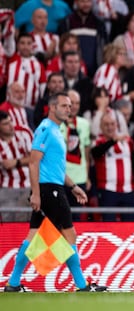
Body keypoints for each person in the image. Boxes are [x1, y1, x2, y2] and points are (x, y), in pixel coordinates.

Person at [4, 92, 107, 292]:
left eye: (70, 106)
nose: (69, 109)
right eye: (64, 106)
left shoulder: (56, 130)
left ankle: (13, 283)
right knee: (70, 235)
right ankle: (82, 285)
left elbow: (56, 168)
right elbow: (33, 163)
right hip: (49, 190)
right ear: (52, 107)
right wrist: (35, 194)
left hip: (52, 188)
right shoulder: (45, 129)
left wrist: (73, 186)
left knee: (33, 237)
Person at [91, 110, 134, 222]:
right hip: (108, 190)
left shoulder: (127, 141)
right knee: (109, 225)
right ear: (101, 127)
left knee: (130, 225)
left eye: (112, 124)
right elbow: (96, 153)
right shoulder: (98, 142)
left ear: (117, 125)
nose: (110, 127)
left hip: (128, 190)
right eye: (106, 125)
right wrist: (112, 141)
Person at [60, 90, 91, 221]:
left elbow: (86, 153)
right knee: (59, 217)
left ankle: (73, 242)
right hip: (60, 178)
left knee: (76, 218)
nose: (75, 106)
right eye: (72, 103)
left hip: (79, 178)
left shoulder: (84, 124)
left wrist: (87, 176)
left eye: (77, 103)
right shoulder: (56, 124)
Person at [0, 110, 32, 222]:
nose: (10, 126)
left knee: (24, 222)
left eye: (11, 121)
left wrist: (17, 162)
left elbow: (37, 158)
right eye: (5, 124)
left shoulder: (24, 132)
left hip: (28, 185)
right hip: (7, 188)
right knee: (7, 223)